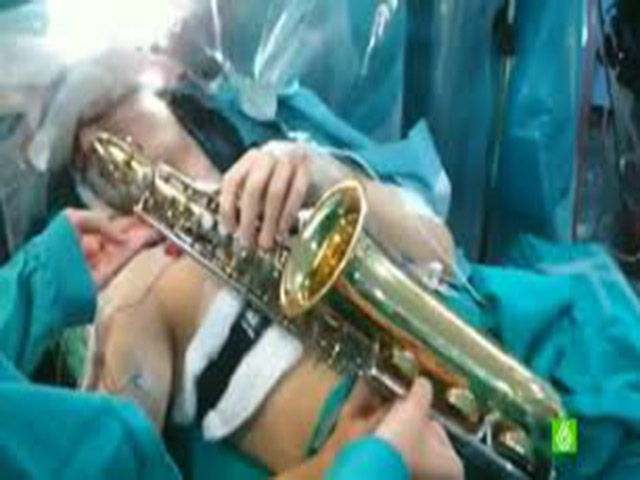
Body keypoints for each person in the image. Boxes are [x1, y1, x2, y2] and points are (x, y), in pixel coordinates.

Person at [0, 206, 463, 479]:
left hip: (444, 322)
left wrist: (34, 280)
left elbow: (439, 246)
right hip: (371, 429)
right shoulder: (131, 308)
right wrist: (346, 465)